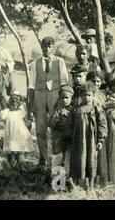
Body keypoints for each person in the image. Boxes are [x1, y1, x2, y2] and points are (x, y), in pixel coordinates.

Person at [28, 36, 69, 166]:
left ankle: (57, 157)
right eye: (45, 45)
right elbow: (31, 85)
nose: (47, 48)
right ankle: (42, 157)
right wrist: (30, 105)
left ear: (53, 47)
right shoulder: (36, 63)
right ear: (42, 47)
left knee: (56, 126)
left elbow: (64, 82)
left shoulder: (60, 61)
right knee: (40, 128)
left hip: (55, 96)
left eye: (50, 46)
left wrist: (63, 102)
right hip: (39, 96)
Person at [65, 83, 108, 189]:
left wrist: (100, 140)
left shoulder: (96, 109)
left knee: (91, 161)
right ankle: (78, 184)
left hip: (92, 140)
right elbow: (69, 124)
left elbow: (102, 124)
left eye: (89, 95)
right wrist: (68, 138)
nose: (86, 97)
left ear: (93, 96)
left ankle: (91, 185)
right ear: (80, 96)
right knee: (79, 159)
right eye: (84, 95)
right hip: (78, 140)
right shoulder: (75, 110)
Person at [0, 91, 35, 167]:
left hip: (18, 133)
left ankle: (18, 163)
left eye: (17, 100)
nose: (14, 102)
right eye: (13, 100)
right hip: (10, 133)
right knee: (10, 148)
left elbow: (26, 116)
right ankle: (10, 163)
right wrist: (6, 107)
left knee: (18, 147)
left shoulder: (20, 111)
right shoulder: (7, 112)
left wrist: (29, 119)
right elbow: (2, 116)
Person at [97, 88, 115, 187]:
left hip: (113, 132)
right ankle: (105, 180)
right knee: (103, 155)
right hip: (104, 131)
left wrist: (109, 106)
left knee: (114, 154)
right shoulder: (102, 101)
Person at [49, 86, 74, 169]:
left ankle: (67, 177)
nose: (64, 100)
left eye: (67, 98)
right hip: (58, 136)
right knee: (58, 156)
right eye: (62, 98)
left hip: (69, 137)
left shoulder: (73, 110)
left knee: (68, 157)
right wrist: (56, 121)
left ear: (71, 98)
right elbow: (51, 123)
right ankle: (58, 180)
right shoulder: (57, 110)